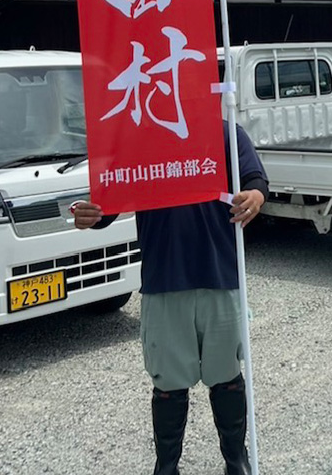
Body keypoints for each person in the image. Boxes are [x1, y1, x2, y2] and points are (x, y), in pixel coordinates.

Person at [73, 121, 269, 475]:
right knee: (168, 380)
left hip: (220, 273)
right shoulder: (136, 139)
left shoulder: (225, 131)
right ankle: (166, 466)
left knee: (226, 374)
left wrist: (255, 198)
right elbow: (109, 206)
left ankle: (236, 460)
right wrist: (93, 215)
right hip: (164, 276)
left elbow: (255, 180)